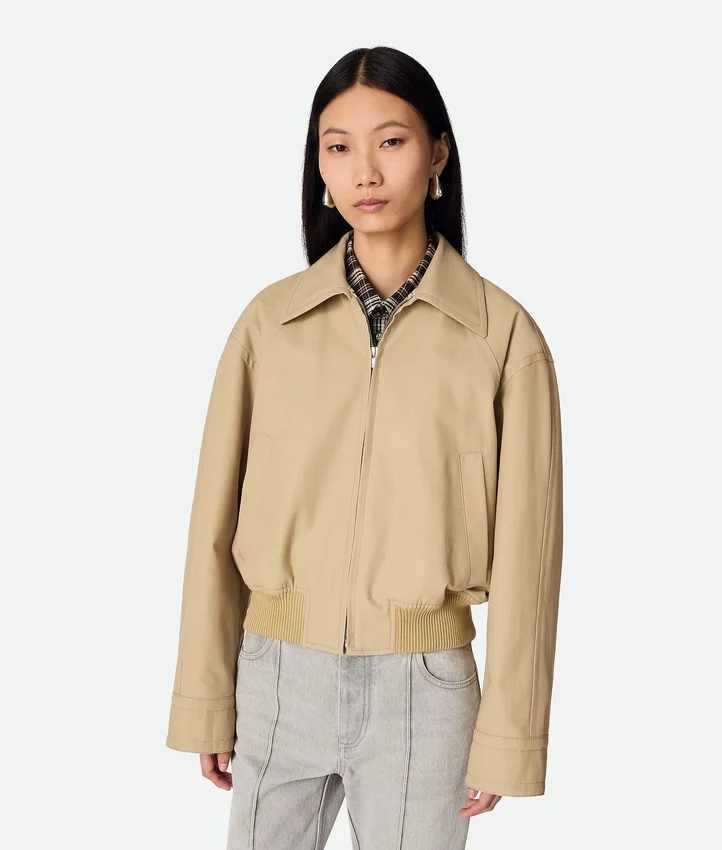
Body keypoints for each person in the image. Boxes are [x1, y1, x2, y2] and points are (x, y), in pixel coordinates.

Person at [165, 45, 564, 850]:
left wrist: (509, 734)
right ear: (318, 165)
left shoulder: (502, 337)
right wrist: (207, 695)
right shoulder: (269, 326)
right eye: (338, 146)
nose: (365, 171)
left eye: (391, 141)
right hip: (276, 675)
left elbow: (531, 555)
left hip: (425, 692)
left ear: (438, 153)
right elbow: (212, 525)